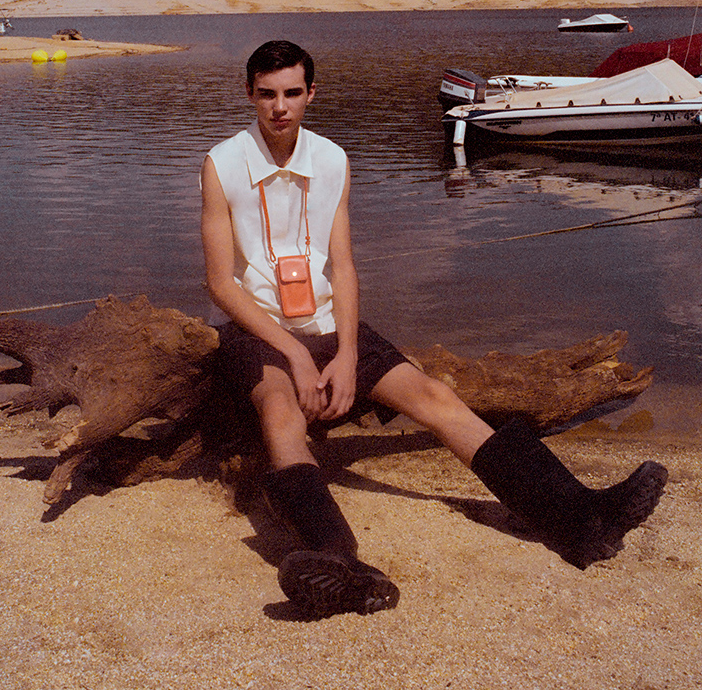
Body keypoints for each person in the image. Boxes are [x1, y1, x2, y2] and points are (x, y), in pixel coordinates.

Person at [200, 40, 668, 617]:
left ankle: (579, 518)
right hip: (256, 330)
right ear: (250, 94)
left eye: (292, 93)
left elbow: (342, 266)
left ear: (311, 94)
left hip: (325, 322)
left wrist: (347, 354)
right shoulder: (222, 164)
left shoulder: (333, 159)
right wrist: (295, 356)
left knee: (436, 396)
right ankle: (335, 558)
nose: (280, 107)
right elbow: (220, 284)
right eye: (267, 94)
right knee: (281, 416)